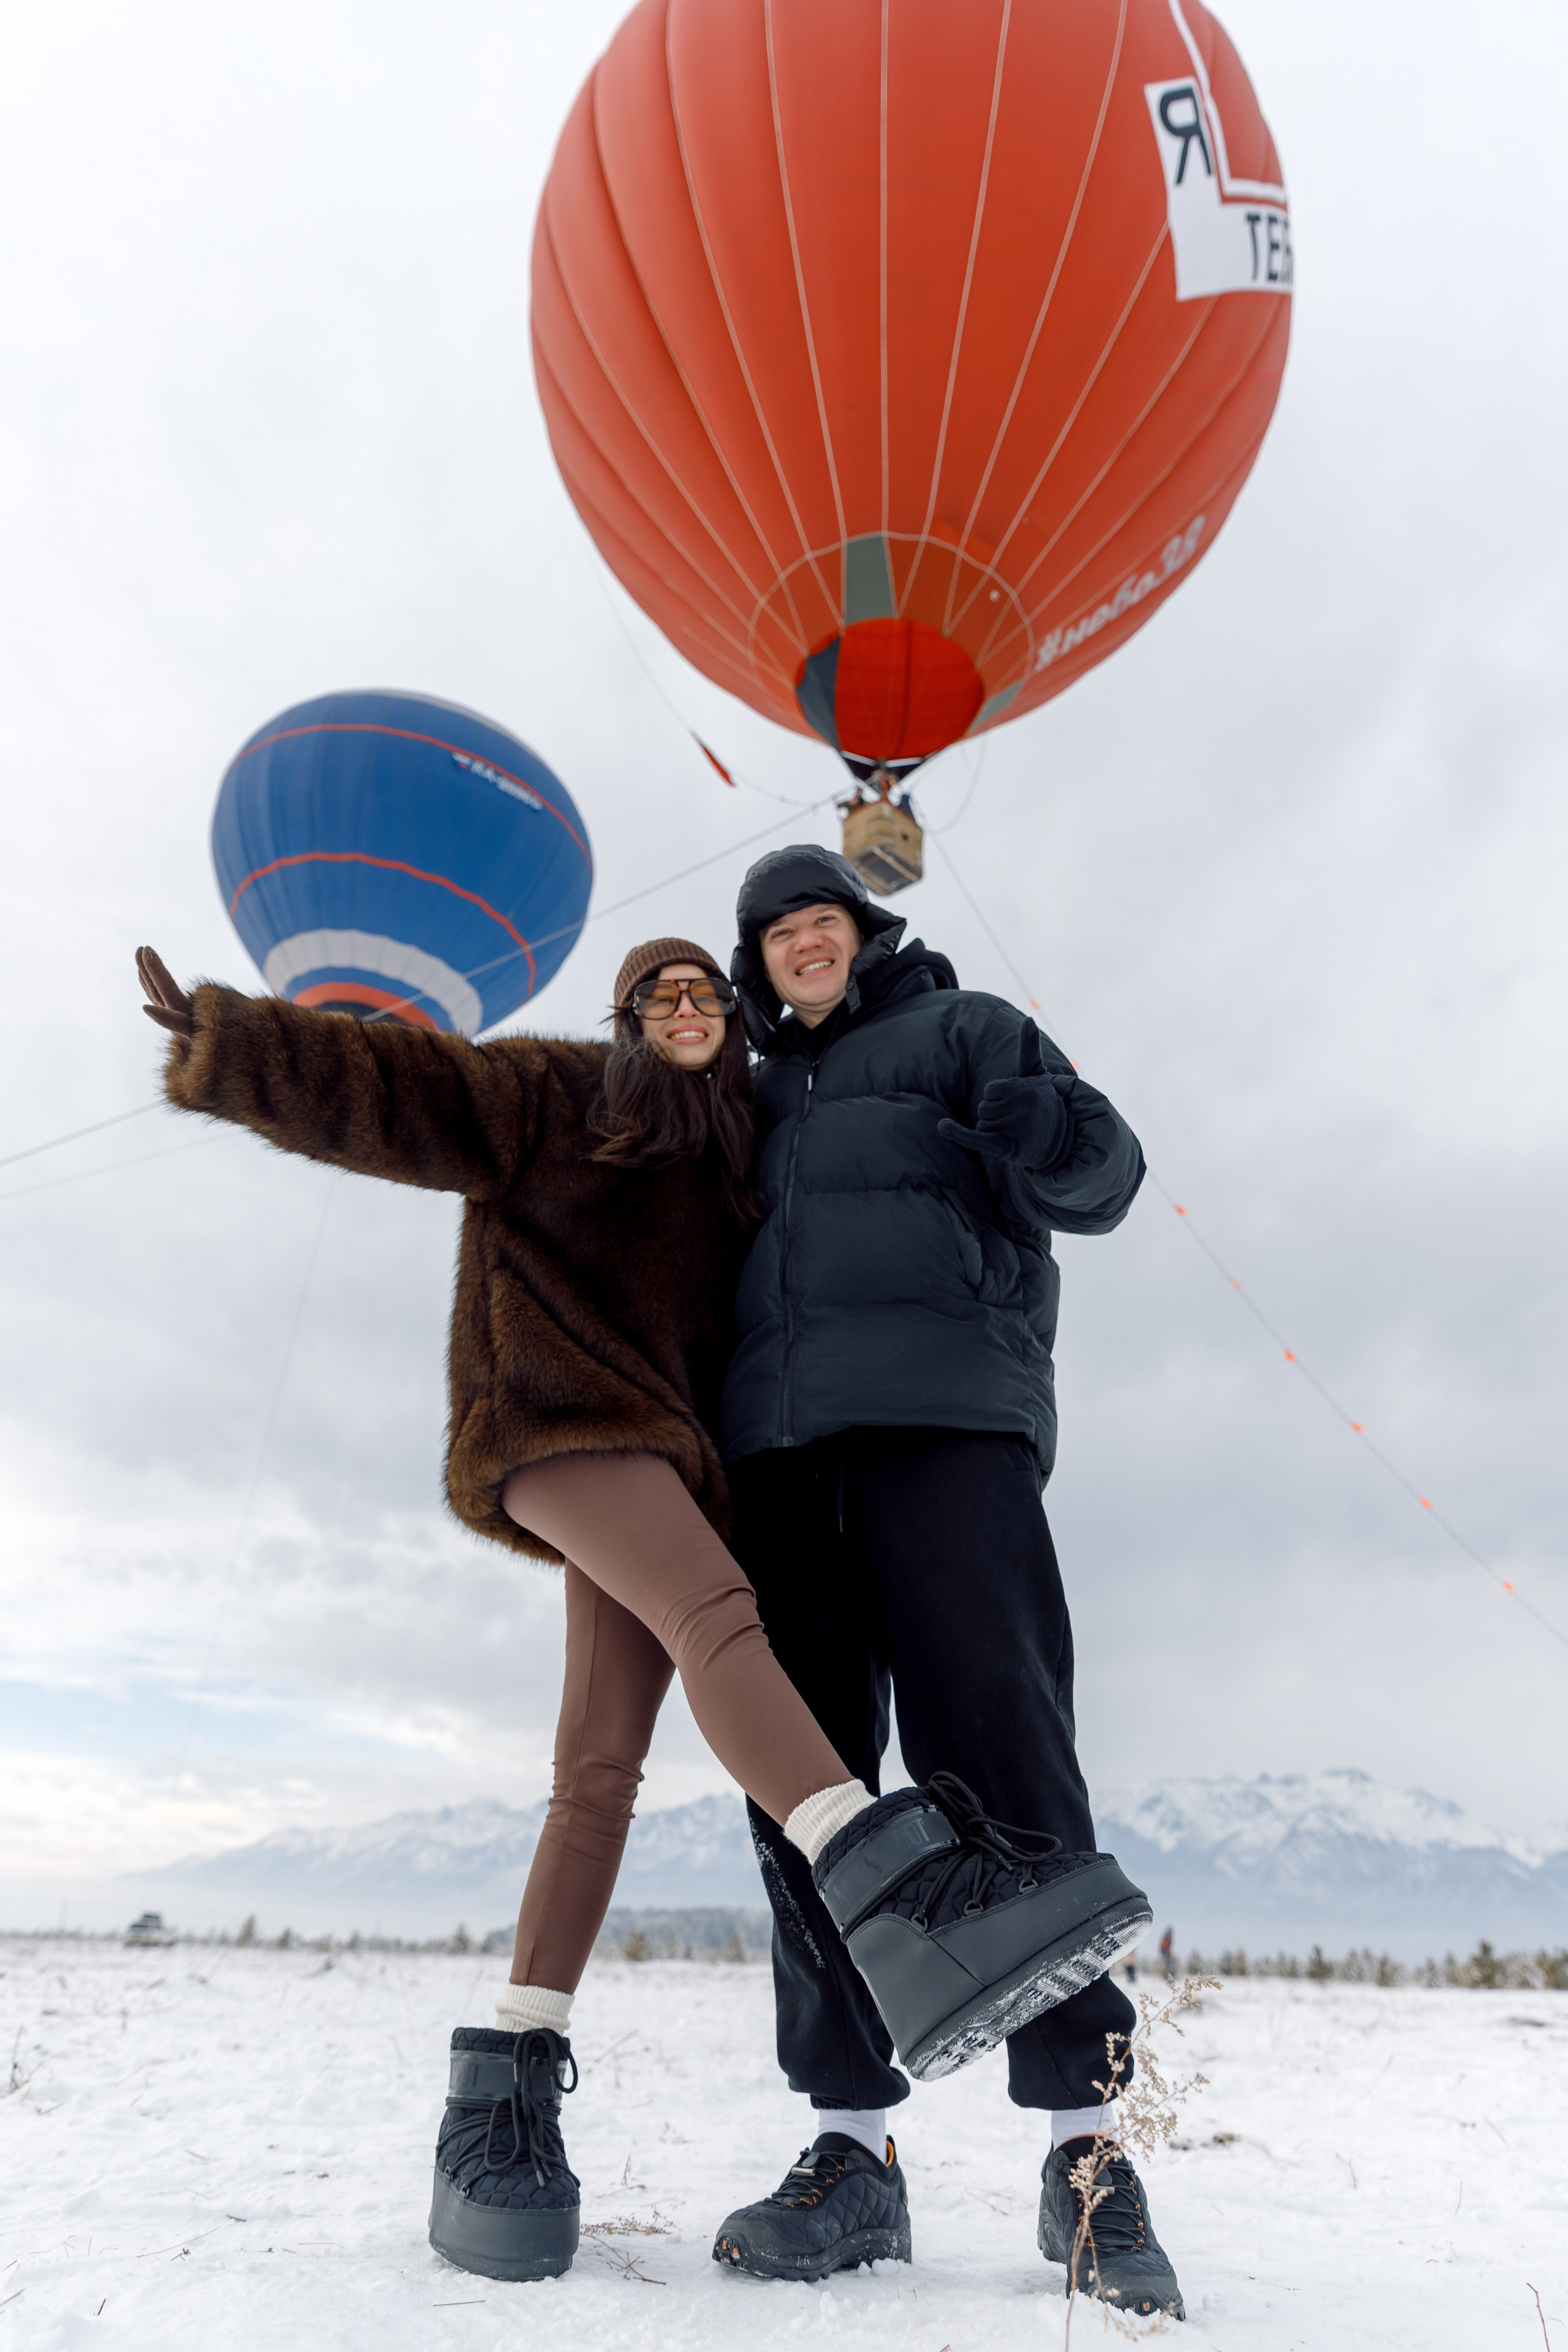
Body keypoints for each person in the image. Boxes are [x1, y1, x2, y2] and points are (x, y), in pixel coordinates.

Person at [137, 934, 1128, 2288]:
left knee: (595, 1776)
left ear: (733, 1023)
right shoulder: (553, 1097)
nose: (684, 1005)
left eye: (702, 994)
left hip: (675, 1468)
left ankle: (506, 2082)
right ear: (622, 1020)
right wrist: (229, 1040)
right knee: (723, 1612)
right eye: (657, 993)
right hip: (555, 1426)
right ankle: (899, 1865)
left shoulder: (736, 1173)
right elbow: (398, 1089)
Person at [705, 847, 1183, 2321]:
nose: (802, 943)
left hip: (947, 1421)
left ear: (864, 934)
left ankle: (1086, 2156)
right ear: (755, 962)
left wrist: (1044, 1120)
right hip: (777, 1456)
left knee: (1004, 1755)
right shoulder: (739, 1094)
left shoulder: (964, 1030)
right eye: (776, 931)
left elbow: (1099, 1178)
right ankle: (849, 2154)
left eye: (822, 920)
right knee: (809, 1795)